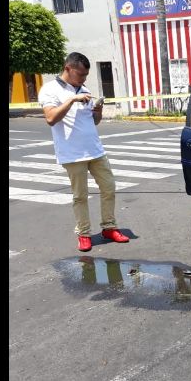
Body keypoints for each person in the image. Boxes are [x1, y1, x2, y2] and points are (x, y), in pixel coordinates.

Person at [38, 52, 130, 252]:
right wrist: (72, 100)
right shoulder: (50, 90)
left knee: (109, 188)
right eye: (80, 75)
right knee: (80, 196)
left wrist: (98, 111)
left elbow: (93, 121)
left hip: (95, 150)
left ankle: (109, 227)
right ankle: (84, 233)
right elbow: (51, 118)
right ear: (68, 68)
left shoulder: (84, 89)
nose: (84, 79)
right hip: (72, 154)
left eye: (86, 75)